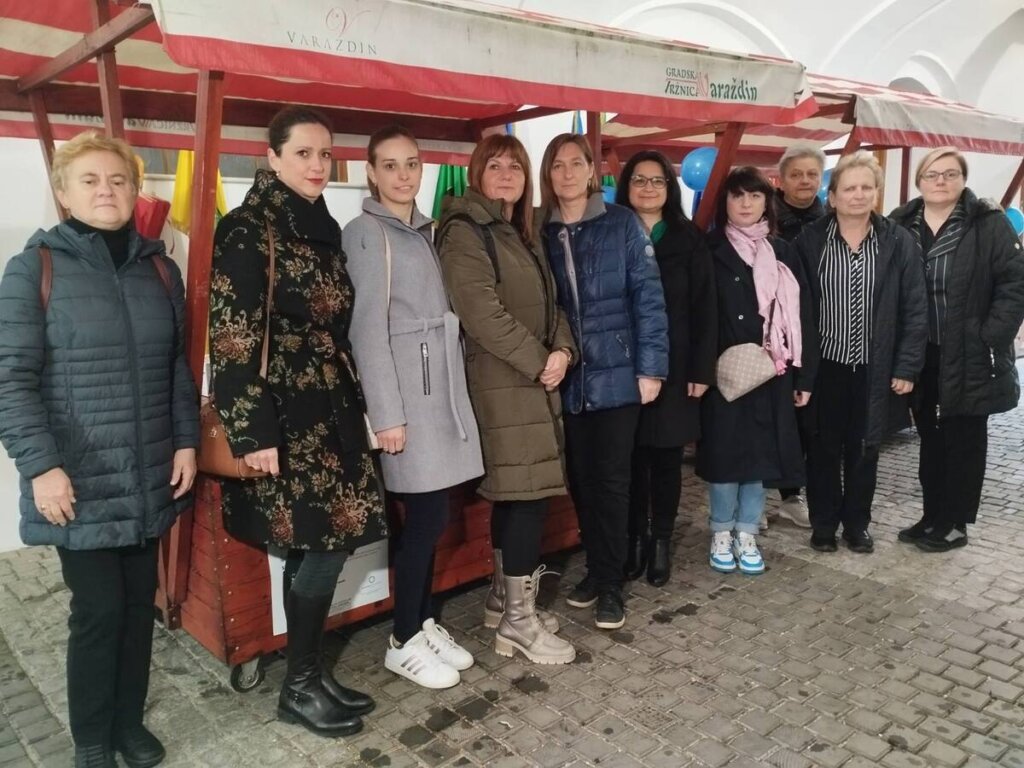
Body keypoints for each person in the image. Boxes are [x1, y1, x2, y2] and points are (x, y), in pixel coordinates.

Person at [0, 130, 199, 768]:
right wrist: (41, 467)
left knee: (140, 605)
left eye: (117, 179)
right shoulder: (35, 268)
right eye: (89, 180)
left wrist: (186, 442)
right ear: (63, 192)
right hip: (78, 478)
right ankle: (91, 738)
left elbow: (176, 369)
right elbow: (11, 375)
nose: (106, 191)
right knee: (98, 610)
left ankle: (127, 724)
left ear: (135, 189)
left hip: (146, 471)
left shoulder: (159, 267)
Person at [209, 106, 387, 736]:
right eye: (304, 153)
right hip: (285, 417)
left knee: (322, 542)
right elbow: (232, 337)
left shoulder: (321, 224)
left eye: (324, 154)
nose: (317, 164)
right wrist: (251, 432)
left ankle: (306, 673)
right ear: (273, 157)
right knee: (321, 542)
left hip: (332, 405)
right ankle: (300, 686)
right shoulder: (248, 228)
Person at [343, 126, 483, 688]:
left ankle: (421, 621)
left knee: (433, 516)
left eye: (412, 164)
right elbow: (366, 330)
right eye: (390, 165)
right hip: (407, 393)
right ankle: (402, 638)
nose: (403, 175)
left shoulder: (423, 231)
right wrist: (387, 415)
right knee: (423, 519)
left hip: (437, 385)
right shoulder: (365, 232)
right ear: (371, 172)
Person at [438, 134, 577, 665]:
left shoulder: (521, 230)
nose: (505, 174)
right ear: (477, 173)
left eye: (514, 166)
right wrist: (538, 358)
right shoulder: (464, 230)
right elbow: (480, 311)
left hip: (532, 380)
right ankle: (519, 624)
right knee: (524, 496)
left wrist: (562, 349)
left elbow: (551, 303)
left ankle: (504, 600)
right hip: (502, 383)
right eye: (494, 165)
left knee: (522, 493)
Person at [540, 133, 669, 629]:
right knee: (583, 481)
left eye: (577, 163)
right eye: (558, 165)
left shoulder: (621, 224)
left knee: (614, 483)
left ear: (592, 173)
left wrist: (651, 368)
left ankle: (611, 583)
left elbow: (648, 299)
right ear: (548, 175)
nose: (568, 173)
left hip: (619, 378)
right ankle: (596, 567)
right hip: (569, 382)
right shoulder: (541, 232)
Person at [793, 150, 927, 554]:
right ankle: (823, 524)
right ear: (832, 196)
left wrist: (906, 366)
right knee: (822, 448)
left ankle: (857, 525)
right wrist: (801, 374)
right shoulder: (810, 240)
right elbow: (796, 309)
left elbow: (915, 308)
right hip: (825, 366)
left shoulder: (898, 242)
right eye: (849, 188)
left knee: (866, 448)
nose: (858, 194)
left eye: (866, 187)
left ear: (876, 193)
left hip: (875, 366)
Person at [890, 147, 1024, 551]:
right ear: (920, 181)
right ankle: (932, 514)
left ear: (963, 179)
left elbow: (1015, 285)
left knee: (964, 440)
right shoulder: (901, 224)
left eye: (950, 173)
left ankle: (955, 523)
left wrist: (989, 335)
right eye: (932, 174)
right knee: (930, 438)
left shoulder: (988, 224)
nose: (941, 181)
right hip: (920, 350)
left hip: (968, 350)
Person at [697, 167, 815, 576]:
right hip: (726, 374)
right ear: (724, 202)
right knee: (726, 459)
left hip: (772, 371)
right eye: (737, 196)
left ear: (768, 201)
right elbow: (699, 317)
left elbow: (804, 315)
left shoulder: (783, 251)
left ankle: (747, 531)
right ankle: (721, 531)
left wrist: (804, 377)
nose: (746, 204)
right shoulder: (709, 248)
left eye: (754, 196)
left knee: (760, 461)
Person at [615, 150, 717, 586]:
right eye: (639, 180)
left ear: (669, 189)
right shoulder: (611, 231)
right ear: (626, 185)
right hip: (622, 367)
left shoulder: (688, 238)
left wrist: (700, 371)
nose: (648, 188)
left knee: (666, 461)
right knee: (631, 459)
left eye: (657, 181)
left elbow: (704, 309)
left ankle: (660, 542)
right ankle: (633, 540)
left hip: (675, 369)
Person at [769, 144, 828, 528]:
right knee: (781, 418)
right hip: (781, 334)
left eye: (812, 174)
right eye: (797, 174)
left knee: (815, 421)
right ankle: (784, 493)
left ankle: (804, 492)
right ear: (782, 179)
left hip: (826, 329)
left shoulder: (833, 218)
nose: (804, 181)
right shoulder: (768, 218)